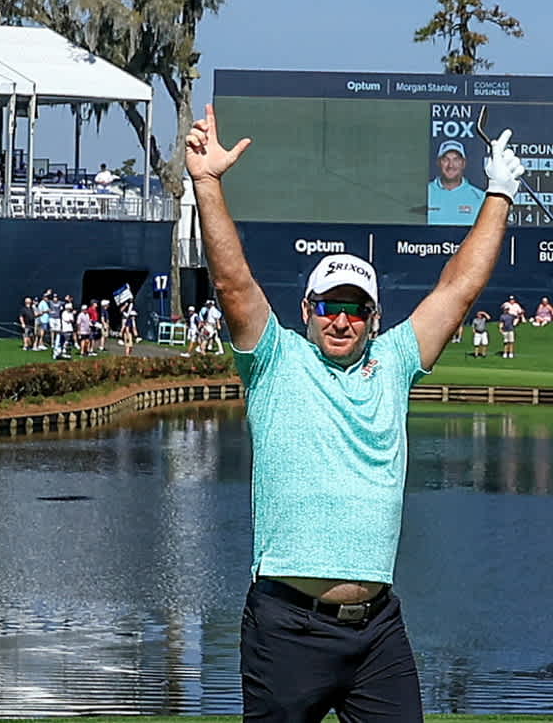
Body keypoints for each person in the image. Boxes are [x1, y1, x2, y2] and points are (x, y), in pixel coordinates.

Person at [185, 102, 525, 721]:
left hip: (377, 632)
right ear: (307, 307)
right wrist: (207, 183)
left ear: (374, 318)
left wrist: (498, 193)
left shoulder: (394, 362)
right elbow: (234, 283)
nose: (341, 319)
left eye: (356, 308)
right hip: (287, 628)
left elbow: (458, 288)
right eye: (329, 306)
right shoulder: (274, 359)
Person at [426, 139, 485, 226]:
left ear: (463, 163)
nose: (450, 165)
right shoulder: (424, 193)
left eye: (456, 160)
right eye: (446, 159)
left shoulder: (480, 197)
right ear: (439, 163)